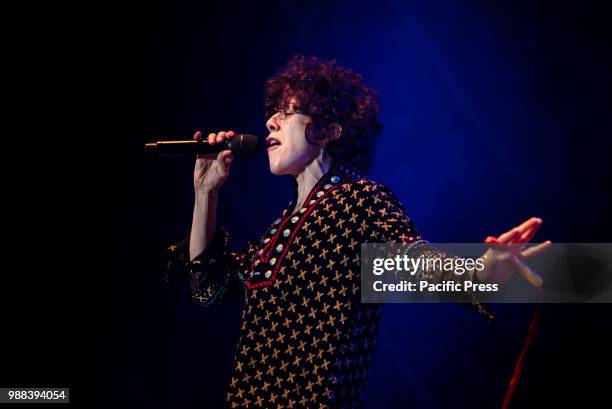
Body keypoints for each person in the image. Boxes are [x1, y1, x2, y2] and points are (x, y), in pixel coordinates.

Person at [164, 55, 550, 409]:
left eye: (289, 111)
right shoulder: (278, 229)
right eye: (272, 112)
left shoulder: (359, 201)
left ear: (330, 131)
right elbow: (207, 287)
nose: (270, 121)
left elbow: (413, 261)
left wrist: (481, 274)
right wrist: (205, 193)